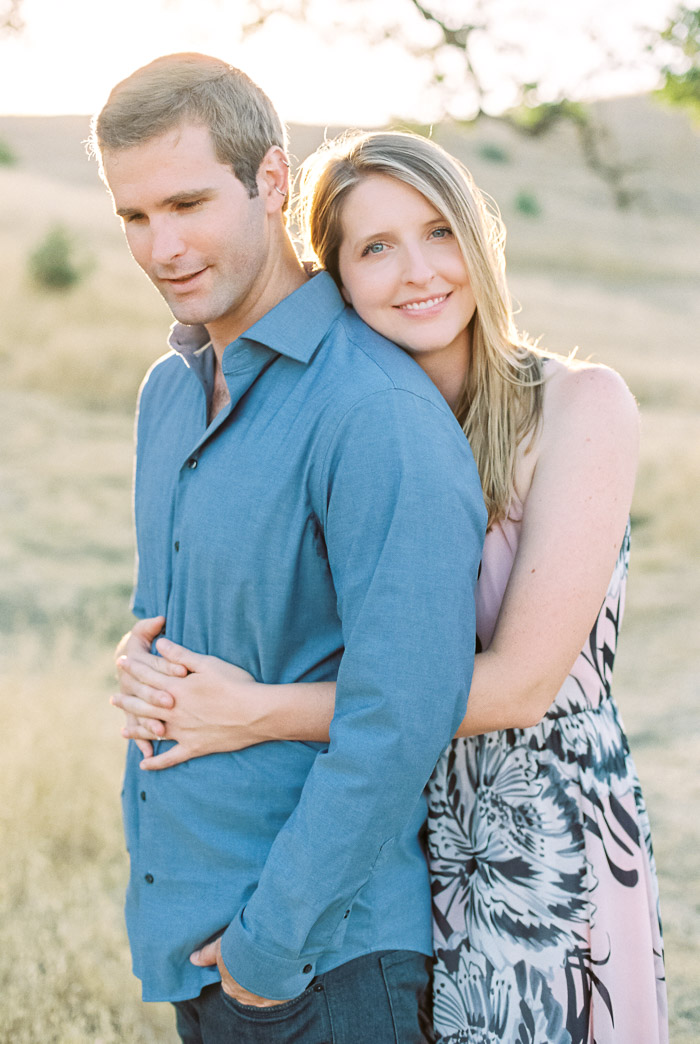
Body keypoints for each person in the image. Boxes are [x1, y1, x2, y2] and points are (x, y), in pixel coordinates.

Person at [114, 129, 669, 1043]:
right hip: (400, 830)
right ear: (333, 274)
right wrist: (155, 661)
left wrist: (257, 711)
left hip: (539, 835)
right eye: (375, 248)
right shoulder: (362, 421)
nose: (418, 272)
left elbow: (521, 687)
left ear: (479, 244)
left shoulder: (579, 406)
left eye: (439, 232)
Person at [93, 55, 487, 1044]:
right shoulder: (169, 393)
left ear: (271, 184)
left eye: (188, 203)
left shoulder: (373, 410)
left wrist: (273, 945)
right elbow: (205, 631)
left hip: (324, 965)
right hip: (199, 946)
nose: (163, 245)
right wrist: (137, 667)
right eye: (135, 217)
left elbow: (403, 716)